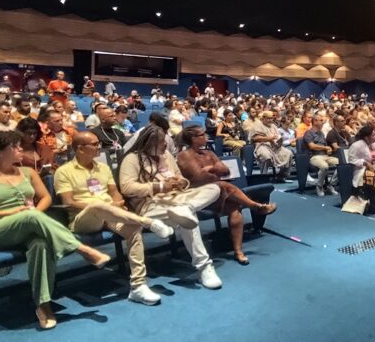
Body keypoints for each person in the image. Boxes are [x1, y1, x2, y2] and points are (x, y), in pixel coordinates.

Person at [0, 131, 112, 329]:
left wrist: (36, 215)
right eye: (15, 147)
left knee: (40, 244)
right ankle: (82, 249)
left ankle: (43, 305)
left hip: (29, 225)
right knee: (30, 216)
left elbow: (45, 198)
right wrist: (12, 213)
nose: (21, 149)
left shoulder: (28, 172)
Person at [54, 131, 175, 305]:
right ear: (80, 149)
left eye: (98, 143)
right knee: (97, 205)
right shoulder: (64, 171)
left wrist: (117, 204)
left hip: (110, 215)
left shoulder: (103, 168)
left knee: (133, 229)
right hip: (83, 219)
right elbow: (69, 202)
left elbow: (115, 193)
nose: (99, 147)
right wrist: (108, 206)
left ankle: (138, 286)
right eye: (94, 144)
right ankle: (149, 222)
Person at [119, 125, 223, 289]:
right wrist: (160, 187)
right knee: (188, 219)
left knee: (214, 189)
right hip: (151, 204)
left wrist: (181, 182)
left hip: (178, 198)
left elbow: (181, 178)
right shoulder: (132, 159)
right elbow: (127, 187)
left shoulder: (166, 155)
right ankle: (204, 267)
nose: (166, 144)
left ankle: (186, 207)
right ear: (149, 142)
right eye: (161, 142)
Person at [176, 126, 278, 265]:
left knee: (234, 209)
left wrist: (211, 168)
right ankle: (256, 206)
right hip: (198, 196)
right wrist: (215, 169)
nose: (206, 136)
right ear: (193, 139)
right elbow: (199, 177)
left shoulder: (209, 153)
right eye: (202, 135)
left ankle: (238, 252)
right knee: (222, 185)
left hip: (217, 194)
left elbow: (226, 171)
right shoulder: (184, 155)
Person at [347, 125, 375, 214]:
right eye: (373, 135)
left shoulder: (374, 144)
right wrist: (365, 163)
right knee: (374, 177)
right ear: (366, 137)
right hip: (361, 170)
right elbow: (351, 160)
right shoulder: (356, 145)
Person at [301, 114, 339, 197]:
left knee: (342, 163)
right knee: (324, 166)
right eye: (321, 120)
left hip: (325, 156)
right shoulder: (309, 133)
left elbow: (325, 147)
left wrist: (328, 150)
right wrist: (325, 147)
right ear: (315, 122)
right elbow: (312, 146)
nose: (323, 122)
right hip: (314, 157)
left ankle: (331, 184)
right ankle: (319, 186)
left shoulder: (321, 133)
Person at [248, 111, 292, 181]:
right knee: (266, 156)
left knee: (288, 153)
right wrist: (269, 138)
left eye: (271, 118)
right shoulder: (257, 125)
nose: (270, 120)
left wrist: (280, 140)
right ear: (263, 118)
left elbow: (277, 137)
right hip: (262, 145)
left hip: (274, 146)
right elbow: (255, 138)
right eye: (268, 118)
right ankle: (263, 177)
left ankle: (281, 176)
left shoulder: (273, 126)